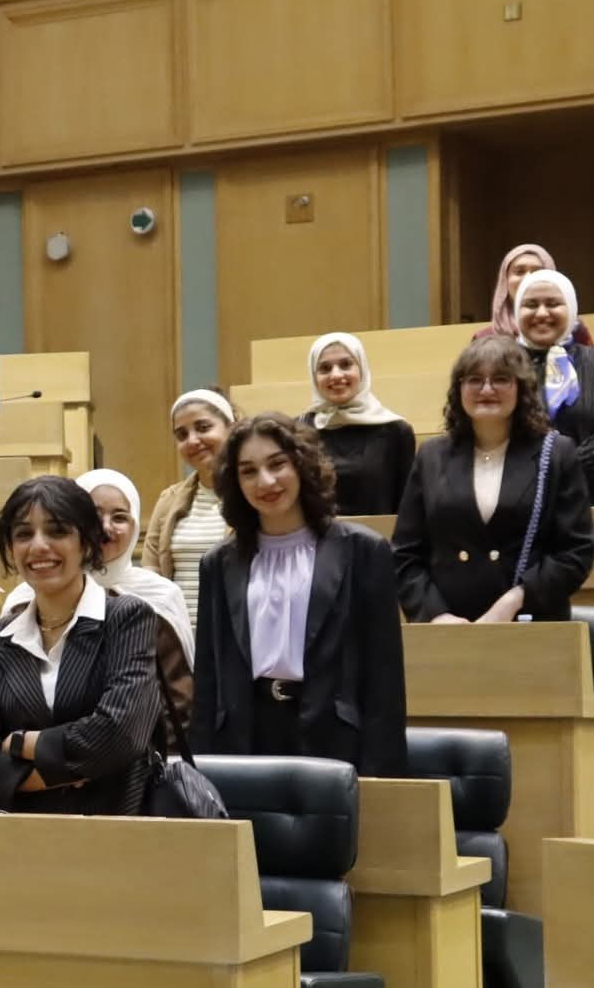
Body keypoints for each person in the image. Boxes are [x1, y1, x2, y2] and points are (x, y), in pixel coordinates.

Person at [190, 414, 407, 777]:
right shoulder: (217, 563)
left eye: (277, 464)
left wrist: (381, 777)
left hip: (335, 738)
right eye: (248, 471)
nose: (266, 481)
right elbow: (208, 681)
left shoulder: (363, 551)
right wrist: (199, 774)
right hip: (244, 740)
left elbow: (384, 680)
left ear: (301, 465)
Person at [0, 476, 162, 816]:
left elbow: (119, 736)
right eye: (24, 534)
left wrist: (21, 743)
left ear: (87, 542)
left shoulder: (128, 618)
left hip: (120, 829)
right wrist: (72, 770)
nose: (38, 546)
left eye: (57, 531)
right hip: (27, 836)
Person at [392, 338, 594, 624]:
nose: (486, 389)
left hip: (529, 622)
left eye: (501, 379)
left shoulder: (556, 453)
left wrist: (515, 600)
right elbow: (405, 554)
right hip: (448, 629)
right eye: (474, 380)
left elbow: (575, 552)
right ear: (459, 389)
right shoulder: (430, 456)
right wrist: (435, 614)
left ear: (521, 388)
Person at [1, 468, 194, 720]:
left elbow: (178, 701)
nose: (105, 527)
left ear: (135, 526)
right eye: (94, 515)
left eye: (120, 518)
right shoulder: (22, 603)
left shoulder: (158, 598)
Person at [509, 268, 594, 506]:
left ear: (571, 309)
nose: (542, 313)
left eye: (553, 304)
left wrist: (559, 472)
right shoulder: (501, 369)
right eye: (530, 305)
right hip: (521, 503)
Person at [142, 389, 234, 629]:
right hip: (179, 637)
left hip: (235, 637)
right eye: (182, 435)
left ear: (231, 428)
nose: (192, 440)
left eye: (203, 428)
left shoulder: (253, 495)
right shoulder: (168, 500)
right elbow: (151, 572)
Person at [303, 332, 416, 517]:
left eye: (346, 364)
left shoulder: (396, 431)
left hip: (378, 535)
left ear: (362, 369)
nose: (336, 375)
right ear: (314, 377)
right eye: (325, 368)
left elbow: (406, 508)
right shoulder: (300, 431)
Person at [478, 243, 594, 346]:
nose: (528, 278)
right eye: (519, 271)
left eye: (537, 271)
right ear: (505, 281)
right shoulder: (485, 338)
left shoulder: (575, 330)